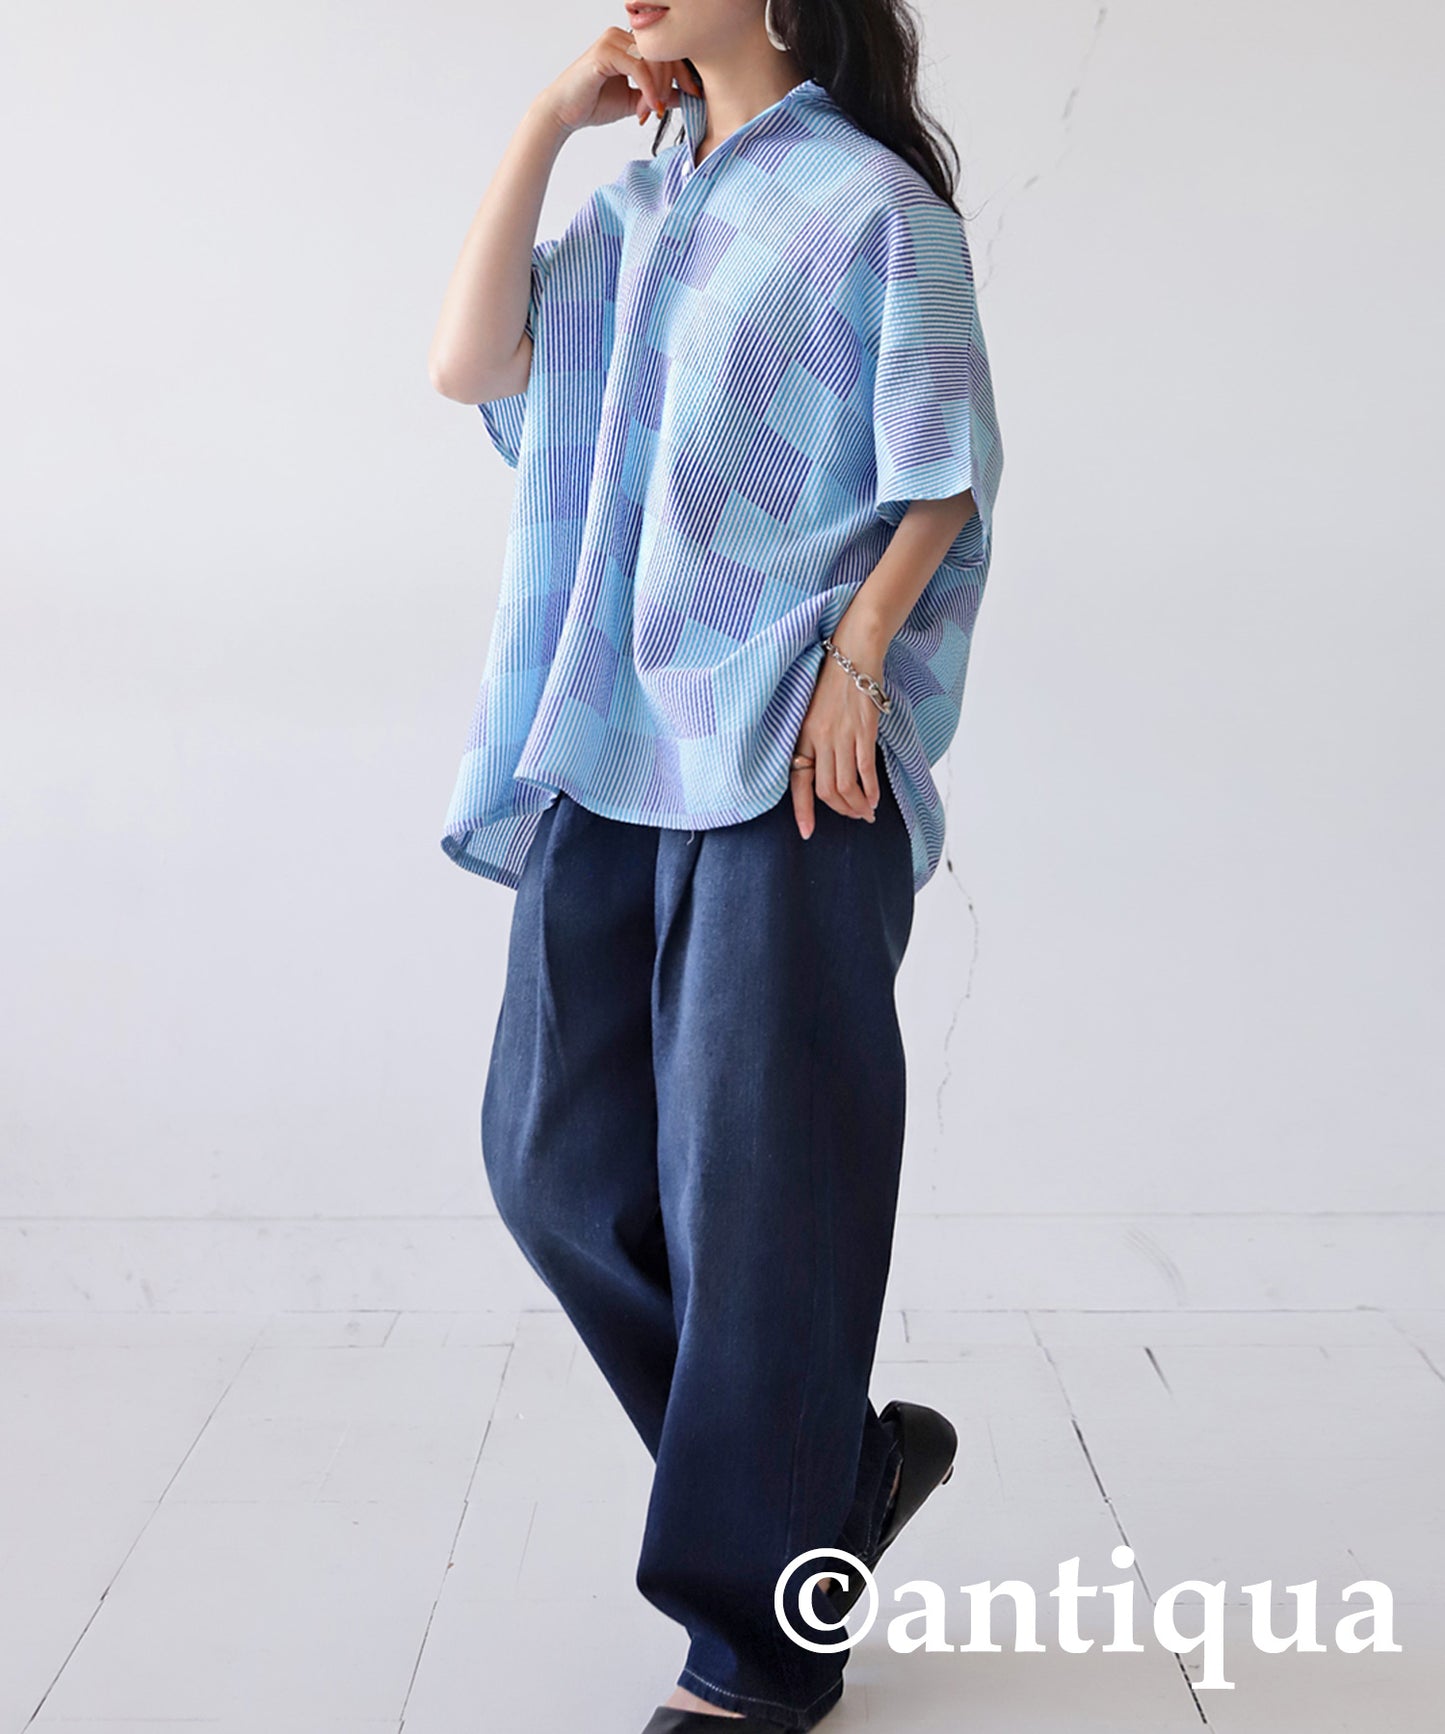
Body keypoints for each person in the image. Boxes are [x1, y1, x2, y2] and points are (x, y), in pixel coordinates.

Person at [429, 3, 1003, 1728]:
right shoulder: (636, 208)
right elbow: (471, 366)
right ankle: (827, 1478)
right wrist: (548, 120)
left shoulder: (871, 206)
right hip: (607, 740)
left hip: (784, 753)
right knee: (551, 1162)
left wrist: (854, 659)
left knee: (762, 1200)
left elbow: (947, 467)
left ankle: (757, 1655)